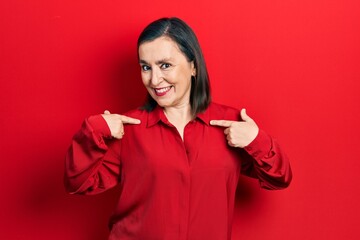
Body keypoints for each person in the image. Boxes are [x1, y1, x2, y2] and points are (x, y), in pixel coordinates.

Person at [65, 17, 292, 240]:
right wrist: (94, 130)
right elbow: (77, 183)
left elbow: (279, 178)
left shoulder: (229, 124)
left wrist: (255, 139)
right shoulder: (128, 128)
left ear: (193, 66)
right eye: (146, 67)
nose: (154, 79)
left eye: (165, 65)